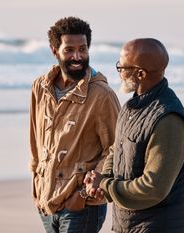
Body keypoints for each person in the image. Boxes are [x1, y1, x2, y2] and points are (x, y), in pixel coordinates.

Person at [84, 38, 184, 233]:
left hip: (159, 226)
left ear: (140, 74)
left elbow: (153, 188)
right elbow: (116, 150)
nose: (120, 72)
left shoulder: (168, 119)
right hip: (127, 224)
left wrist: (106, 185)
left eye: (122, 67)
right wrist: (103, 179)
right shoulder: (130, 107)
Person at [29, 17, 120, 233]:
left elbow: (117, 149)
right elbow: (35, 138)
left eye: (83, 49)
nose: (77, 57)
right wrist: (36, 184)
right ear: (54, 51)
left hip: (81, 206)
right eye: (69, 50)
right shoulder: (40, 88)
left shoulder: (102, 95)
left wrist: (82, 195)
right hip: (47, 201)